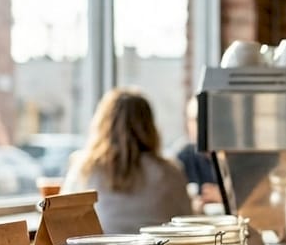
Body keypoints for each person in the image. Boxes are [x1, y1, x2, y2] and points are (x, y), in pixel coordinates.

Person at [62, 87, 194, 233]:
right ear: (150, 126)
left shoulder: (85, 168)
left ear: (102, 125)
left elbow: (63, 218)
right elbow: (186, 223)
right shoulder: (170, 171)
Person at [175, 97, 222, 213]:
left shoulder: (231, 158)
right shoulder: (183, 159)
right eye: (194, 120)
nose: (199, 126)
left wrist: (225, 196)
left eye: (203, 119)